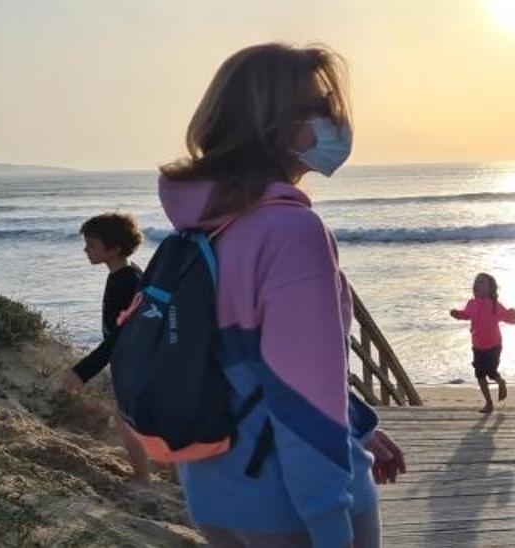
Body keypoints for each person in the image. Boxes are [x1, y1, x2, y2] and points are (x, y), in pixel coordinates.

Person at [157, 43, 403, 548]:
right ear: (276, 124)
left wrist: (356, 427)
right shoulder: (292, 233)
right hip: (293, 509)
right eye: (319, 106)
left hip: (215, 494)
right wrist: (330, 523)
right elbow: (301, 403)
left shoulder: (203, 227)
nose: (335, 119)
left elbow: (249, 367)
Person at [56, 213, 152, 484]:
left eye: (92, 245)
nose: (86, 250)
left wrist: (81, 371)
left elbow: (118, 338)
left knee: (127, 420)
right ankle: (169, 474)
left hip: (136, 362)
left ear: (114, 248)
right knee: (146, 420)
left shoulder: (125, 281)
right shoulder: (128, 274)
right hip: (139, 360)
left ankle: (143, 479)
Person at [449, 273, 515, 413]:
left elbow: (509, 318)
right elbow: (466, 314)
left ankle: (501, 382)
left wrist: (514, 315)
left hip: (493, 346)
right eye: (476, 282)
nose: (477, 285)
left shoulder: (494, 305)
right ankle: (488, 403)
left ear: (490, 289)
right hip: (477, 346)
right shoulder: (471, 303)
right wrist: (457, 314)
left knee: (491, 372)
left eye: (481, 283)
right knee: (480, 374)